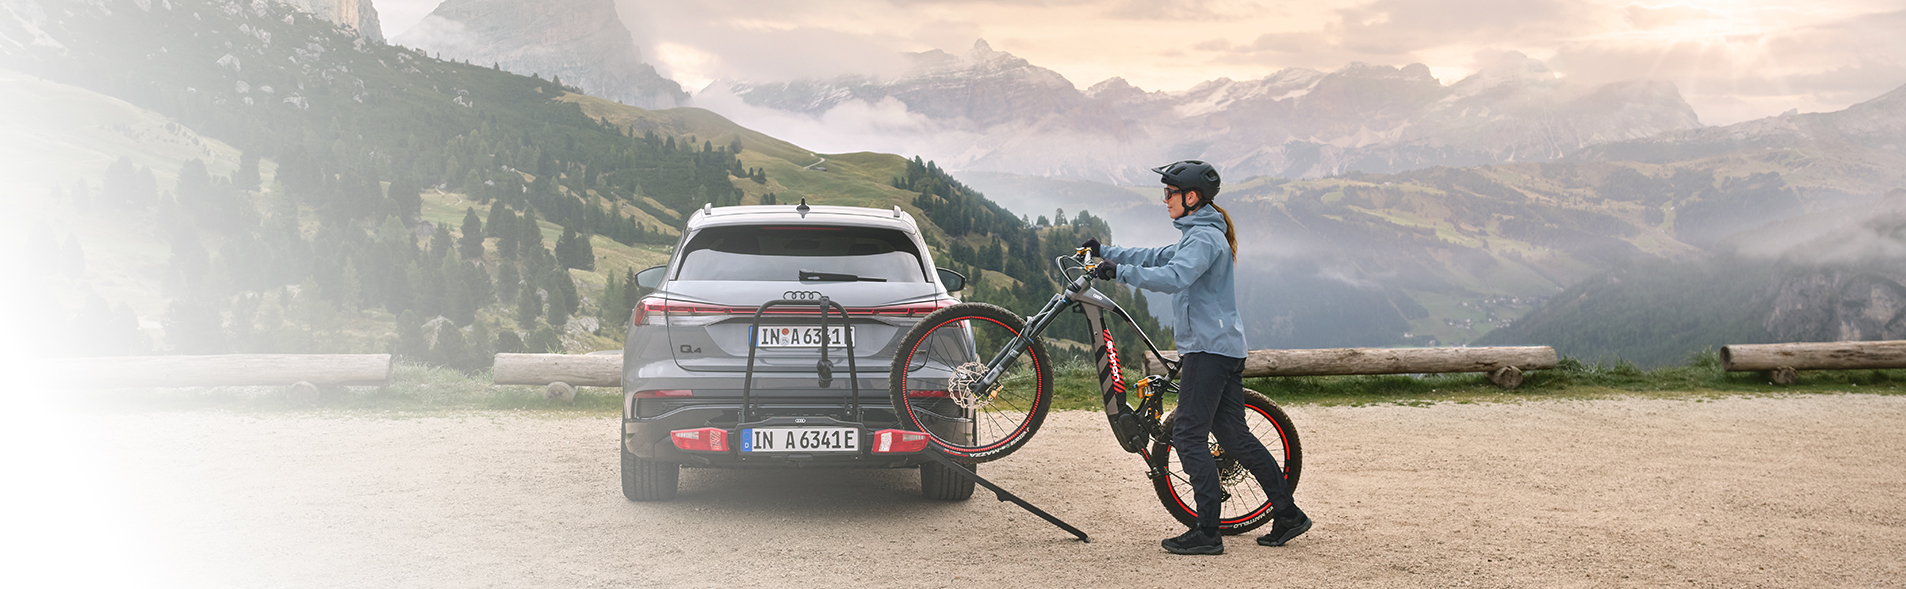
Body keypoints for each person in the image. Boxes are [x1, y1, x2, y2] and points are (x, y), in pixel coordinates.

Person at [1080, 160, 1310, 555]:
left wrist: (1117, 273)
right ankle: (1288, 514)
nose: (1164, 199)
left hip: (1210, 349)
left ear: (1191, 197)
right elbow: (1156, 255)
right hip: (1219, 347)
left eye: (1169, 193)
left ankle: (1207, 531)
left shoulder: (1203, 239)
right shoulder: (1197, 233)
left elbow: (1173, 277)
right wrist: (1108, 252)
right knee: (1234, 437)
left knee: (1187, 434)